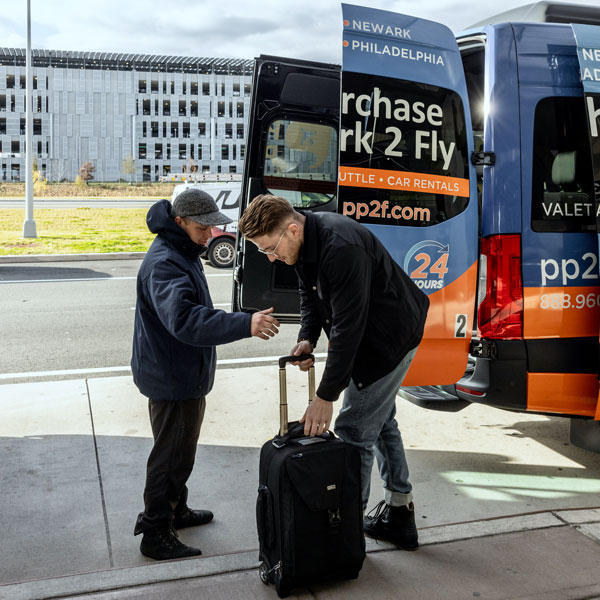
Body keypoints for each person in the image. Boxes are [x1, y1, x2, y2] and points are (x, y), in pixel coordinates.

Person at [238, 194, 429, 550]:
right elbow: (309, 291)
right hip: (372, 334)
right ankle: (400, 513)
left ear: (291, 230)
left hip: (390, 339)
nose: (270, 257)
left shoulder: (341, 247)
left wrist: (325, 396)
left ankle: (344, 536)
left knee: (354, 430)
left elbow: (348, 330)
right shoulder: (302, 239)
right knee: (380, 420)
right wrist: (307, 338)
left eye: (269, 248)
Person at [131, 189, 280, 561]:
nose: (210, 233)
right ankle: (155, 531)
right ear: (180, 222)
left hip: (180, 372)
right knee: (169, 456)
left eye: (213, 226)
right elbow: (185, 319)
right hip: (172, 377)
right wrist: (245, 324)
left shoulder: (181, 250)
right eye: (203, 227)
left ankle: (175, 509)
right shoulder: (166, 262)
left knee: (180, 451)